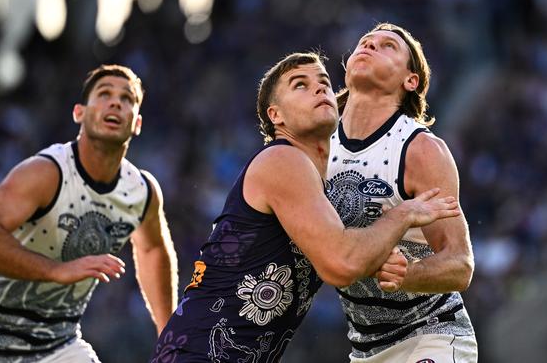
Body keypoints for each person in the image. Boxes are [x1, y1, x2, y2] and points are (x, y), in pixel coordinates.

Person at [149, 52, 460, 362]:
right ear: (276, 115)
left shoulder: (317, 183)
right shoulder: (282, 160)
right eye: (300, 84)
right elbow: (342, 263)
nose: (319, 89)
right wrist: (403, 214)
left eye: (324, 82)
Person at [0, 64, 178, 362]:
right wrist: (56, 271)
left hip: (57, 347)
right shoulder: (46, 172)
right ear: (79, 113)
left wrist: (169, 333)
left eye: (127, 98)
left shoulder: (142, 192)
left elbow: (152, 248)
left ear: (137, 123)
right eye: (104, 94)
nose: (116, 102)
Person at [327, 22, 477, 362]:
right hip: (363, 349)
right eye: (365, 42)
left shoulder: (421, 150)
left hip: (431, 334)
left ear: (411, 81)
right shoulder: (317, 143)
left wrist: (409, 274)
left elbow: (461, 264)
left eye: (387, 46)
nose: (369, 46)